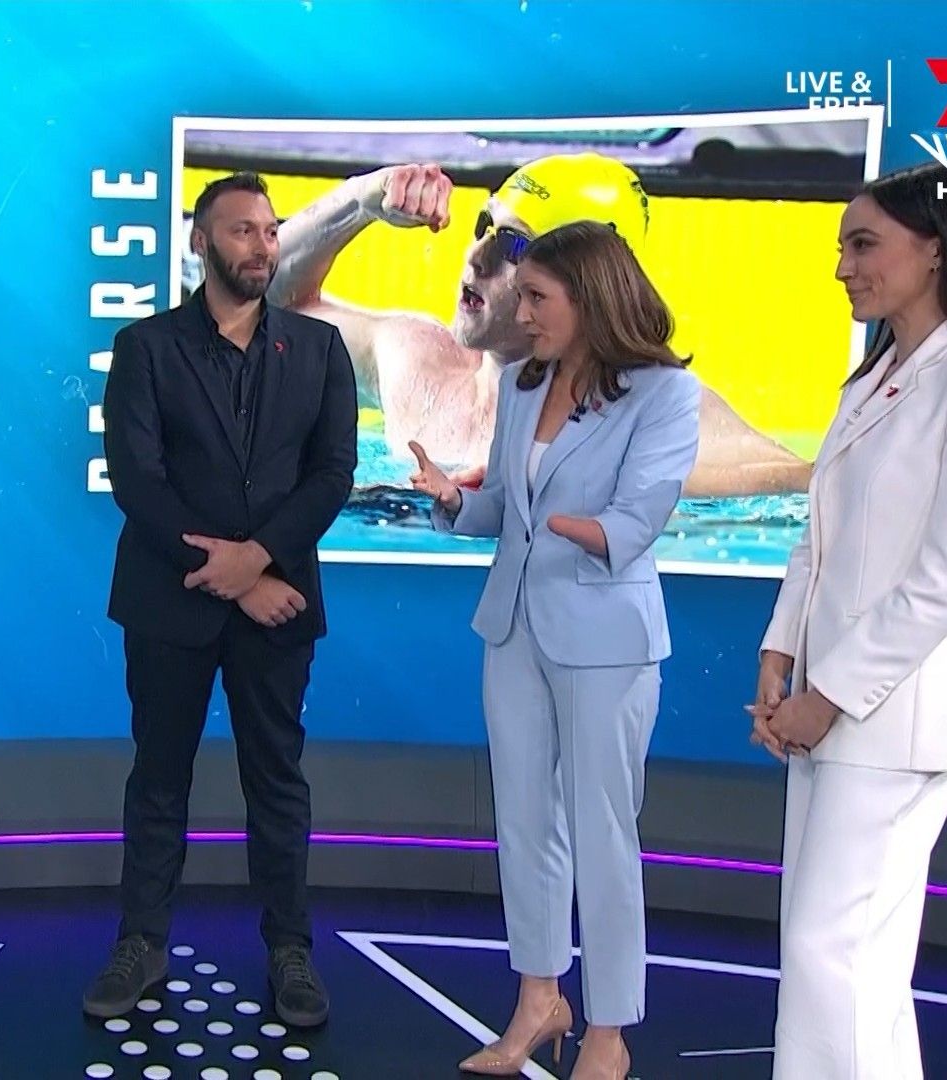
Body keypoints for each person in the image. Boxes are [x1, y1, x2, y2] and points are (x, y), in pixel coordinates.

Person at [747, 164, 947, 1080]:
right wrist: (780, 650)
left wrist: (830, 696)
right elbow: (820, 537)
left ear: (937, 248)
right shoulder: (873, 377)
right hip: (833, 710)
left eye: (863, 244)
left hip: (897, 717)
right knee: (851, 962)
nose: (843, 266)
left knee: (829, 956)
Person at [409, 220, 700, 1078]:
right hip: (514, 629)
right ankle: (540, 999)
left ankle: (609, 1032)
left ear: (592, 297)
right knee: (524, 821)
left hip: (605, 639)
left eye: (537, 298)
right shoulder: (521, 384)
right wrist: (456, 504)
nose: (522, 313)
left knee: (603, 833)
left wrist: (572, 526)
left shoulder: (663, 395)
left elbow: (637, 520)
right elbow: (507, 507)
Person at [85, 171, 357, 1029]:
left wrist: (260, 561)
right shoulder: (145, 348)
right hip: (172, 600)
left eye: (270, 231)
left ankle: (290, 952)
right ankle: (141, 942)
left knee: (276, 780)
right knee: (158, 778)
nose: (262, 246)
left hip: (278, 604)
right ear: (201, 243)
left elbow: (332, 476)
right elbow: (138, 482)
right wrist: (229, 573)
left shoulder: (320, 350)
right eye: (243, 231)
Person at [273, 151, 807, 497]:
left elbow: (807, 481)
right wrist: (361, 200)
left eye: (512, 245)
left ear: (586, 288)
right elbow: (270, 307)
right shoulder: (416, 363)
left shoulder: (640, 403)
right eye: (484, 225)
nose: (475, 256)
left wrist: (583, 473)